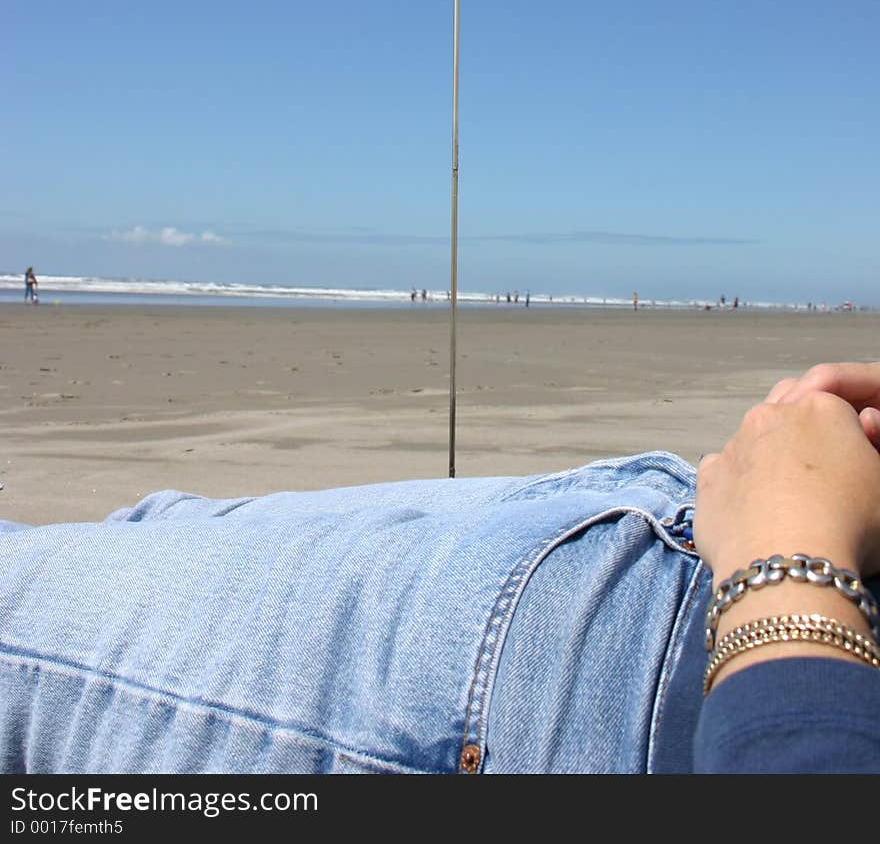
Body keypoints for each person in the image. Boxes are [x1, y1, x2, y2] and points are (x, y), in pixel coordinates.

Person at [0, 363, 878, 774]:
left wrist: (790, 555)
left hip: (611, 679)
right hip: (666, 526)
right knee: (160, 525)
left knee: (23, 616)